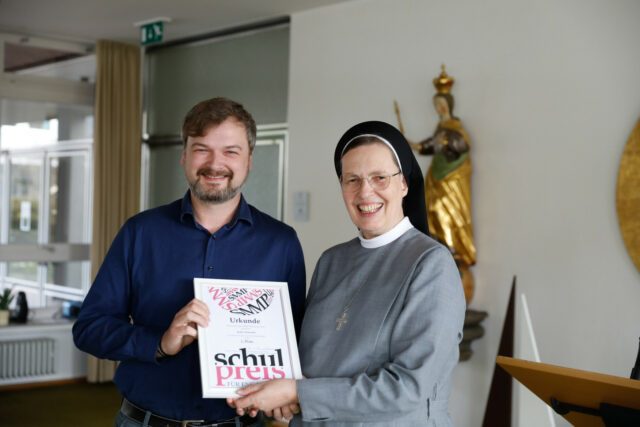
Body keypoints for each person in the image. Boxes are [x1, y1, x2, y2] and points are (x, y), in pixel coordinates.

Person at [73, 97, 306, 427]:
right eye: (202, 149)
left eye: (230, 151)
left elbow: (296, 341)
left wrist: (287, 391)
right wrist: (159, 343)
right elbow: (89, 328)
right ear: (184, 155)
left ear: (249, 160)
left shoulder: (281, 243)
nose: (215, 163)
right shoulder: (140, 233)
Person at [228, 121, 465, 426]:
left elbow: (408, 389)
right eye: (352, 179)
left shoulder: (431, 264)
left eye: (380, 178)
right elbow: (308, 363)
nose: (365, 192)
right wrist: (279, 393)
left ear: (404, 183)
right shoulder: (332, 260)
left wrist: (298, 393)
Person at [396, 65, 476, 303]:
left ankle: (452, 251)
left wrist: (447, 143)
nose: (439, 108)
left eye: (441, 104)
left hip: (452, 183)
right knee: (432, 211)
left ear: (449, 105)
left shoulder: (455, 128)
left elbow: (462, 147)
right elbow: (428, 146)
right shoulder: (441, 128)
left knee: (446, 212)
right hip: (436, 179)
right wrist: (409, 142)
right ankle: (441, 247)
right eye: (436, 105)